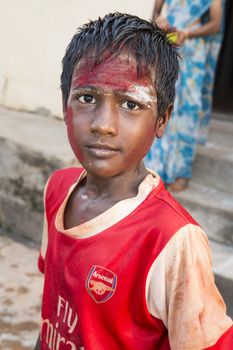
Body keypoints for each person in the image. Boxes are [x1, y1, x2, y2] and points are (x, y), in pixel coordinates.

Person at [34, 13, 233, 350]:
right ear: (64, 103)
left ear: (162, 119)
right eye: (86, 98)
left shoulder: (173, 240)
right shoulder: (57, 189)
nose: (103, 125)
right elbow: (55, 310)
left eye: (130, 104)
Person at [145, 0, 225, 191]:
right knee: (164, 101)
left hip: (193, 51)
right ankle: (156, 167)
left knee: (188, 109)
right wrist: (159, 19)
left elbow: (215, 24)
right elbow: (156, 11)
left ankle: (181, 171)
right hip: (171, 44)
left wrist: (188, 33)